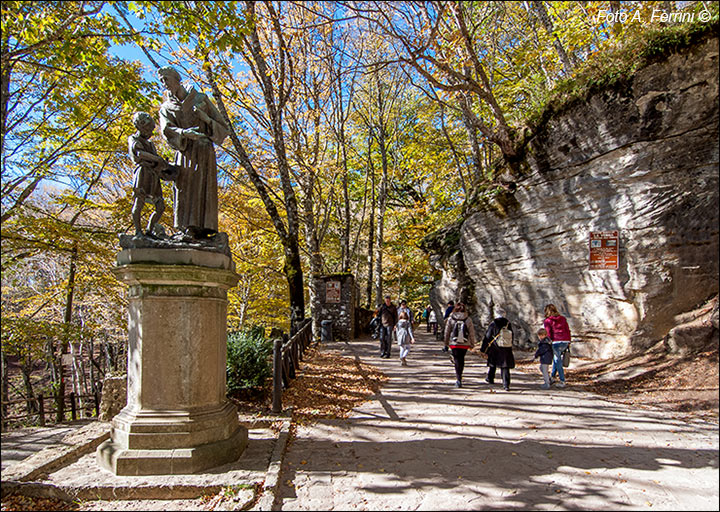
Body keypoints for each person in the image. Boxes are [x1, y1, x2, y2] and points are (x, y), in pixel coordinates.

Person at [157, 66, 229, 240]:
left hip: (204, 150)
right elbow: (166, 130)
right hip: (186, 152)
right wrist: (183, 133)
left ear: (177, 79)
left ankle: (205, 227)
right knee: (185, 187)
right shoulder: (166, 107)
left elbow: (223, 129)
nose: (164, 84)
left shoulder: (200, 99)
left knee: (204, 186)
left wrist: (206, 119)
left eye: (166, 79)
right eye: (162, 81)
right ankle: (186, 227)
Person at [128, 112, 168, 238]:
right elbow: (139, 154)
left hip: (153, 175)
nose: (150, 132)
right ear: (140, 126)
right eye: (148, 128)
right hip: (142, 172)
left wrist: (163, 165)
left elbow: (156, 161)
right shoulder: (133, 139)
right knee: (139, 202)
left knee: (160, 206)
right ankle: (138, 231)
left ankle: (149, 230)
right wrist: (158, 159)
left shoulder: (151, 144)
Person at [479, 307, 515, 391]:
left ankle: (490, 378)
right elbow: (512, 335)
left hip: (495, 346)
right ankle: (506, 384)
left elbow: (488, 336)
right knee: (505, 366)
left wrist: (483, 349)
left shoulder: (493, 324)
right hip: (506, 347)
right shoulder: (508, 324)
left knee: (492, 362)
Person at [443, 303, 476, 388]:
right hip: (464, 343)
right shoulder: (468, 319)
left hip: (454, 343)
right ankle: (460, 376)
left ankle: (458, 379)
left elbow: (447, 331)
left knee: (457, 359)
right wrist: (472, 343)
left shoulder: (451, 318)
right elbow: (471, 332)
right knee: (461, 359)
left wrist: (446, 342)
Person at [543, 304, 571, 387]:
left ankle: (562, 380)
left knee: (557, 360)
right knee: (556, 358)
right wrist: (569, 340)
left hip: (556, 341)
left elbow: (548, 332)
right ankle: (552, 377)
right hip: (565, 340)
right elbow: (567, 329)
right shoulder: (562, 318)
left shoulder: (548, 321)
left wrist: (548, 341)